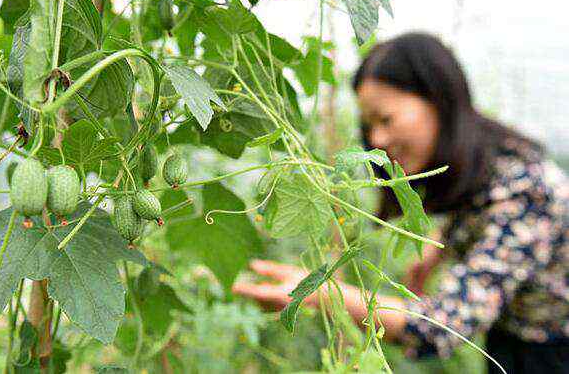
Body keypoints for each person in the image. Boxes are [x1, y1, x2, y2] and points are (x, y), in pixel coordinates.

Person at [233, 32, 569, 373]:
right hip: (517, 340)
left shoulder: (527, 190)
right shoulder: (489, 162)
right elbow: (489, 217)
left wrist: (320, 293)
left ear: (436, 100)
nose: (376, 139)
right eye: (368, 126)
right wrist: (440, 249)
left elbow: (443, 329)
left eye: (386, 119)